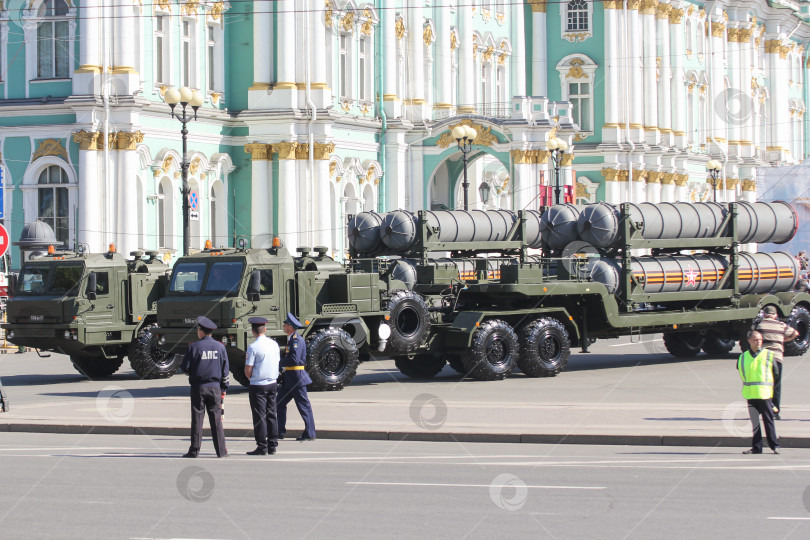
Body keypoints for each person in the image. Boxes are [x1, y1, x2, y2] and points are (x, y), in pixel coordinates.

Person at [180, 316, 229, 458]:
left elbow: (185, 367)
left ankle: (194, 450)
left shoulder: (194, 347)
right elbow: (225, 370)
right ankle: (221, 451)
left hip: (198, 387)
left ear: (201, 331)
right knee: (216, 420)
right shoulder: (220, 347)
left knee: (197, 419)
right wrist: (224, 388)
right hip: (215, 388)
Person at [753, 305, 798, 420]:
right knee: (776, 386)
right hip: (777, 359)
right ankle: (775, 412)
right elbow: (795, 333)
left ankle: (760, 411)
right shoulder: (781, 325)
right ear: (775, 315)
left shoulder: (759, 325)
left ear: (764, 314)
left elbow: (751, 337)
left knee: (762, 385)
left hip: (763, 359)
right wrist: (781, 340)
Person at [737, 330, 779, 455]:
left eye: (760, 339)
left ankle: (774, 445)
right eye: (755, 340)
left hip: (764, 394)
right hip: (750, 394)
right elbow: (740, 370)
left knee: (768, 420)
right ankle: (757, 447)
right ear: (749, 341)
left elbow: (775, 373)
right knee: (755, 423)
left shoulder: (768, 355)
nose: (758, 342)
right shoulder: (743, 356)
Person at [245, 316, 281, 456]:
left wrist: (252, 378)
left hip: (258, 385)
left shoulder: (253, 347)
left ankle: (262, 446)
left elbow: (248, 369)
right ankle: (273, 444)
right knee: (272, 414)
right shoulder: (274, 344)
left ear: (253, 331)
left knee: (260, 416)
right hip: (272, 383)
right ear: (265, 329)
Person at [277, 312, 316, 442]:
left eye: (285, 324)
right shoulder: (292, 339)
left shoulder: (296, 340)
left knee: (303, 406)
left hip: (297, 379)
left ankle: (310, 433)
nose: (283, 326)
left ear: (290, 326)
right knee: (279, 403)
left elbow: (294, 360)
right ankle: (279, 431)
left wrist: (278, 362)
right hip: (289, 379)